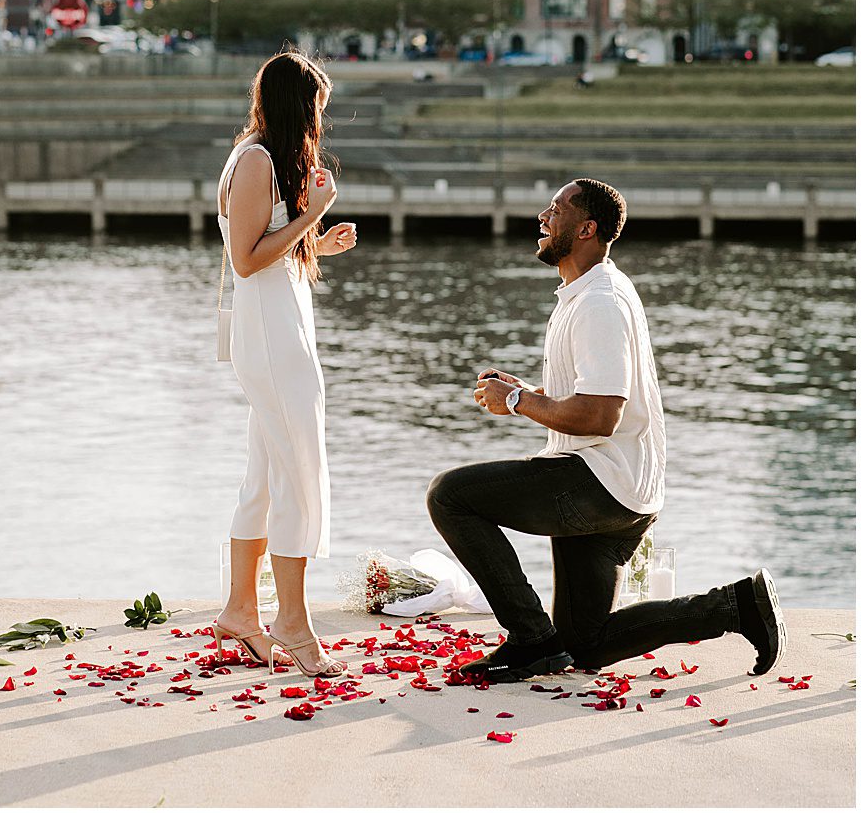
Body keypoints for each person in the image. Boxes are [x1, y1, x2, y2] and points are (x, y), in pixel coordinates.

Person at [427, 178, 786, 682]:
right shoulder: (588, 293)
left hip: (600, 483)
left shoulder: (599, 303)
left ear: (587, 228)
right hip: (623, 488)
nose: (543, 218)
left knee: (450, 496)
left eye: (555, 210)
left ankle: (531, 639)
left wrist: (517, 400)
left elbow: (600, 417)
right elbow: (591, 401)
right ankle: (736, 606)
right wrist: (528, 392)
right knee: (586, 643)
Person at [212, 50, 359, 677]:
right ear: (296, 106)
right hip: (273, 339)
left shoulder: (265, 158)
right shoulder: (255, 160)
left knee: (269, 474)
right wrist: (311, 214)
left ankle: (241, 609)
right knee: (300, 470)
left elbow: (268, 255)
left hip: (279, 330)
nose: (318, 124)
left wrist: (313, 243)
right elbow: (246, 260)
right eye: (316, 111)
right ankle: (293, 623)